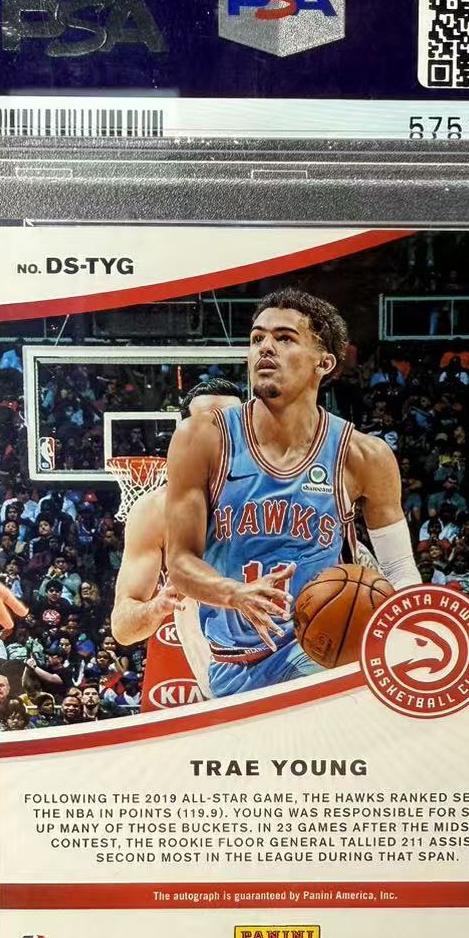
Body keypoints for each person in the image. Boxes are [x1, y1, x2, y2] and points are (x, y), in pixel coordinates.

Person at [165, 288, 420, 698]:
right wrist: (235, 593)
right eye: (257, 338)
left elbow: (400, 569)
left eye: (284, 338)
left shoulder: (363, 456)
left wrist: (400, 632)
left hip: (318, 654)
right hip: (232, 664)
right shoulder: (202, 438)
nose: (265, 347)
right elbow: (180, 562)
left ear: (325, 362)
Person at [109, 379, 243, 706]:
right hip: (220, 691)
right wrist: (156, 606)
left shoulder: (290, 492)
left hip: (294, 676)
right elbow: (123, 627)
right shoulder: (156, 510)